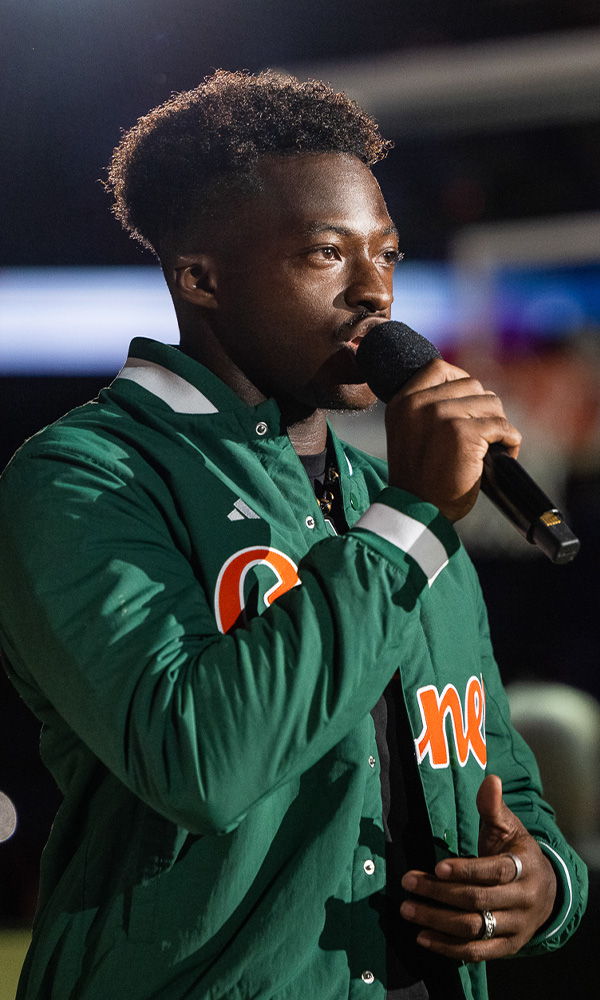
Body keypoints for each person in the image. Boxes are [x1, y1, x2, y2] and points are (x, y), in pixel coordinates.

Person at [0, 70, 587, 1000]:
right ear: (202, 278)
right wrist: (414, 519)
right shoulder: (83, 478)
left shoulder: (389, 501)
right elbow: (199, 764)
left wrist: (545, 884)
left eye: (386, 254)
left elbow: (491, 767)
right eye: (327, 253)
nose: (375, 293)